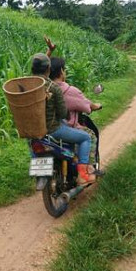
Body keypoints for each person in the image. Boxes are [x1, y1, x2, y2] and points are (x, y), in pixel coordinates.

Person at [30, 52, 97, 185]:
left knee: (33, 143)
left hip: (33, 130)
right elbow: (62, 113)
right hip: (53, 129)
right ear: (49, 69)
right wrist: (65, 114)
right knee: (85, 137)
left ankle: (40, 174)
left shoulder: (28, 86)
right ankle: (83, 174)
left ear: (32, 69)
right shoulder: (53, 88)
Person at [49, 56, 103, 174]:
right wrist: (96, 106)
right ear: (61, 71)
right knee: (89, 136)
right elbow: (87, 105)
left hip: (43, 130)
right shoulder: (69, 90)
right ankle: (88, 169)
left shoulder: (42, 87)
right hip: (62, 128)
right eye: (64, 69)